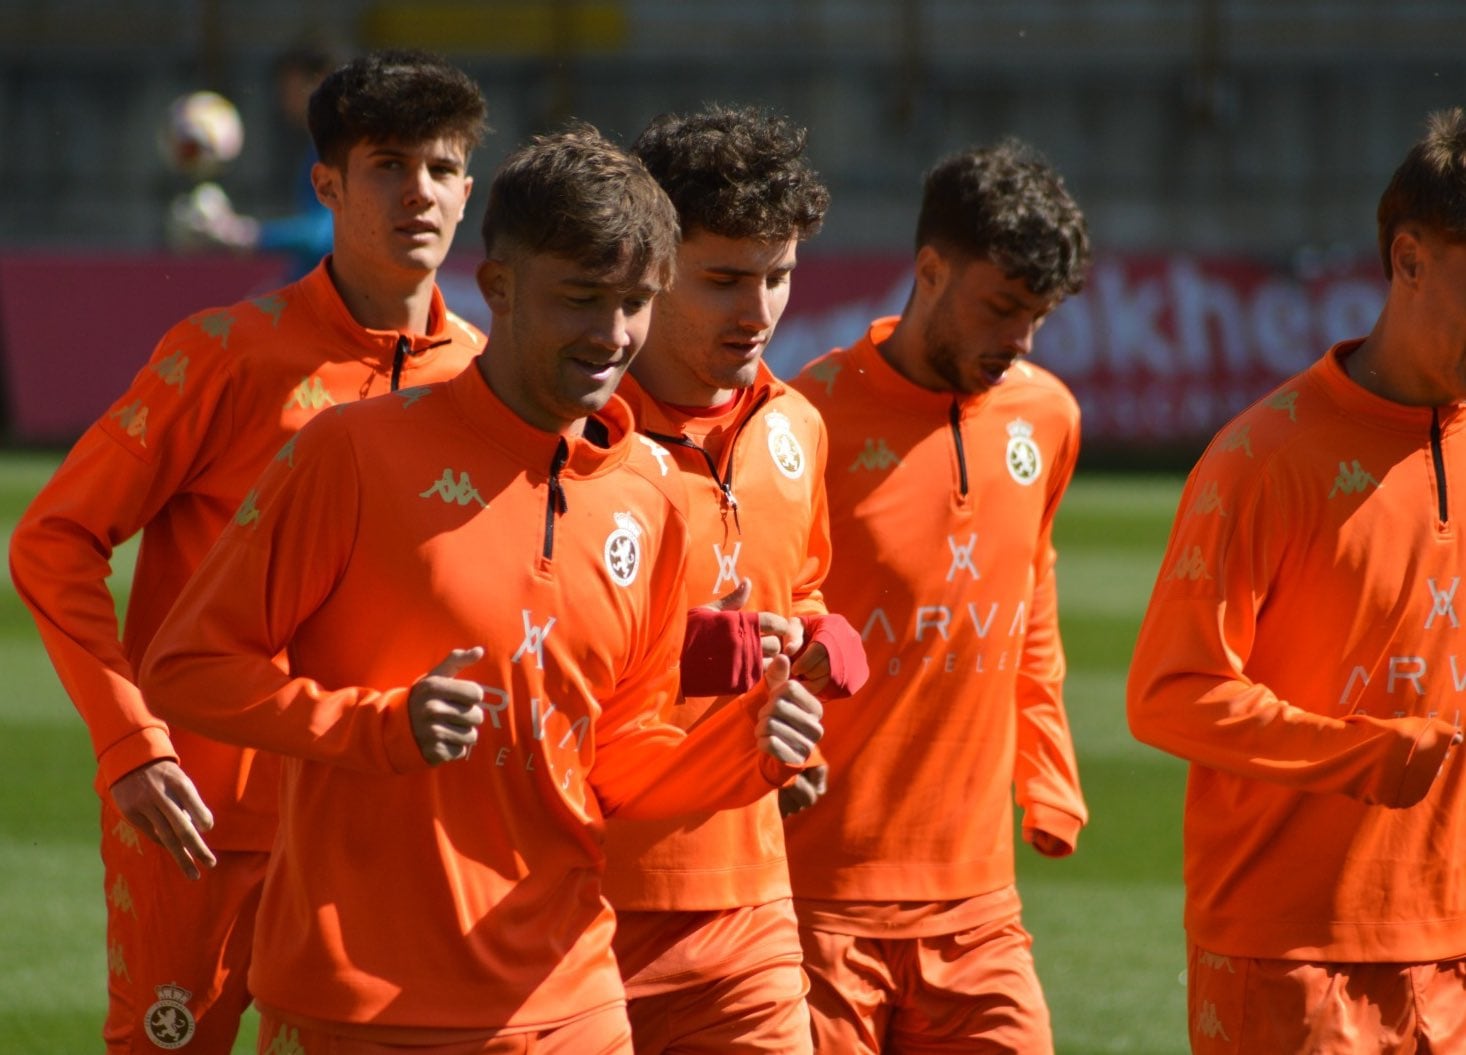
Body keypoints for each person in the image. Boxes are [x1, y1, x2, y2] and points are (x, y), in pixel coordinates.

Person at [138, 123, 826, 1053]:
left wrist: (747, 748)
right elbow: (185, 668)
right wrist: (373, 727)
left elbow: (619, 758)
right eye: (581, 299)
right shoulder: (350, 452)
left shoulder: (650, 496)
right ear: (497, 286)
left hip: (573, 995)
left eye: (633, 302)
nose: (611, 335)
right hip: (362, 1004)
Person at [8, 48, 489, 1053]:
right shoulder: (226, 353)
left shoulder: (486, 380)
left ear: (469, 187)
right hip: (203, 816)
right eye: (388, 166)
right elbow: (55, 537)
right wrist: (129, 740)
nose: (420, 193)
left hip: (389, 827)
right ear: (327, 184)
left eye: (441, 168)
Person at [1127, 108, 1466, 1054]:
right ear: (1409, 259)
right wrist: (1362, 754)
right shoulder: (1261, 458)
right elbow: (1169, 696)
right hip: (1289, 959)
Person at [784, 138, 1092, 1053]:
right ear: (928, 269)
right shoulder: (806, 421)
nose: (1020, 342)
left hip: (979, 902)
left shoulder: (1050, 416)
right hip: (819, 902)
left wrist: (1047, 767)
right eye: (1002, 307)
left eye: (1037, 316)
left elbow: (1029, 596)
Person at [598, 104, 867, 1054]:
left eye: (779, 277)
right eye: (723, 280)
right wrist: (709, 650)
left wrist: (820, 653)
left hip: (750, 908)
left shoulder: (797, 425)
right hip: (581, 909)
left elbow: (804, 593)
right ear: (653, 267)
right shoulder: (572, 434)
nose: (757, 311)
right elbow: (527, 652)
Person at [169, 39, 342, 279]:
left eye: (289, 89)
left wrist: (249, 235)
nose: (284, 101)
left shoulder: (342, 147)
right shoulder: (318, 147)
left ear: (319, 81)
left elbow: (330, 233)